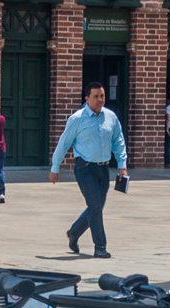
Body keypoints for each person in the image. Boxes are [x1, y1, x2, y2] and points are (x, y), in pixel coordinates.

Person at [49, 81, 128, 258]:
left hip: (104, 169)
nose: (100, 100)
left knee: (97, 207)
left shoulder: (111, 117)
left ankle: (74, 233)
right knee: (95, 206)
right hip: (84, 168)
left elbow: (118, 141)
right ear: (87, 98)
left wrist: (122, 166)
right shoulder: (77, 119)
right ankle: (100, 246)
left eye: (102, 96)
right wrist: (55, 167)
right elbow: (64, 143)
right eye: (96, 96)